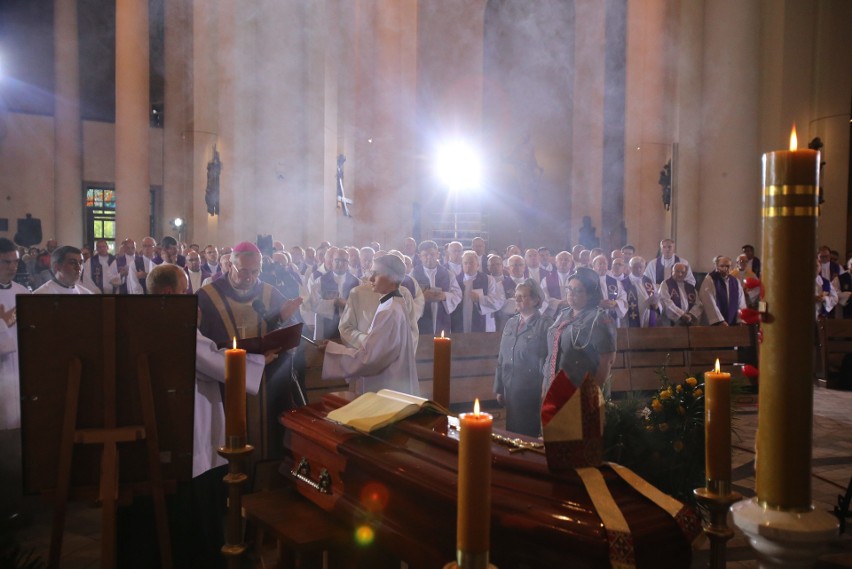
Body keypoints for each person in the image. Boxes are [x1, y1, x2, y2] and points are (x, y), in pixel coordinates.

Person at [197, 241, 303, 459]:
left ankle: (266, 476)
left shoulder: (270, 293)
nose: (249, 277)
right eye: (243, 270)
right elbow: (199, 340)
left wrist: (285, 318)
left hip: (266, 380)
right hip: (223, 381)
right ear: (229, 266)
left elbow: (288, 333)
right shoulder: (207, 296)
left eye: (255, 271)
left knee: (266, 436)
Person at [321, 255, 419, 395]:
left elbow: (370, 359)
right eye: (371, 272)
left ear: (392, 277)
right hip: (391, 382)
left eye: (376, 273)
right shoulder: (394, 303)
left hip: (386, 387)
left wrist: (333, 351)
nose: (370, 278)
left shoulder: (389, 311)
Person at [543, 267, 617, 395]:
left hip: (582, 391)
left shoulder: (599, 319)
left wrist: (592, 393)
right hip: (557, 389)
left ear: (591, 294)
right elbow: (552, 354)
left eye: (578, 291)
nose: (571, 294)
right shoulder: (563, 315)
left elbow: (607, 360)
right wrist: (546, 386)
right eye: (569, 289)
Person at [494, 279, 552, 437]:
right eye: (516, 296)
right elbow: (502, 356)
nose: (517, 299)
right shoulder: (511, 323)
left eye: (522, 296)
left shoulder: (545, 325)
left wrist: (545, 387)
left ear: (535, 300)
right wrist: (499, 387)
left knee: (527, 435)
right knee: (512, 432)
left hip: (531, 388)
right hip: (511, 386)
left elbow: (549, 359)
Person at [0, 238, 30, 524]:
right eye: (6, 262)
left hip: (18, 374)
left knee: (16, 443)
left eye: (14, 262)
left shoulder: (22, 292)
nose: (12, 267)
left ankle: (17, 505)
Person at [411, 240, 462, 335]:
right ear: (419, 257)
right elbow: (406, 297)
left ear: (438, 255)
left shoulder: (448, 274)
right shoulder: (413, 274)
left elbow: (458, 295)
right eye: (425, 255)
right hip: (421, 320)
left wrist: (444, 296)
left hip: (442, 318)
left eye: (432, 254)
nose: (429, 257)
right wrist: (422, 297)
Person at [450, 250, 503, 333]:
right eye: (465, 263)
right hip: (460, 323)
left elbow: (498, 301)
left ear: (478, 265)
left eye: (471, 263)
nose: (468, 265)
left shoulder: (488, 280)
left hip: (483, 325)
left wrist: (480, 299)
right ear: (462, 265)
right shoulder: (456, 280)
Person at [699, 256, 745, 325]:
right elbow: (708, 301)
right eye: (722, 266)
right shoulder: (710, 280)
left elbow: (741, 302)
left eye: (728, 266)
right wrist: (719, 321)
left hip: (734, 323)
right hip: (717, 324)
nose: (725, 268)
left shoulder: (735, 281)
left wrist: (740, 319)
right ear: (716, 266)